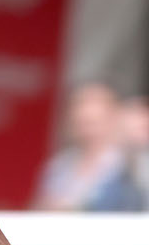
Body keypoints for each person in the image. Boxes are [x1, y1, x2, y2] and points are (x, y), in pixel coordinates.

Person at [33, 82, 144, 212]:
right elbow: (39, 208)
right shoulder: (59, 165)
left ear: (114, 118)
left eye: (93, 123)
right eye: (82, 122)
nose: (88, 131)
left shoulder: (133, 165)